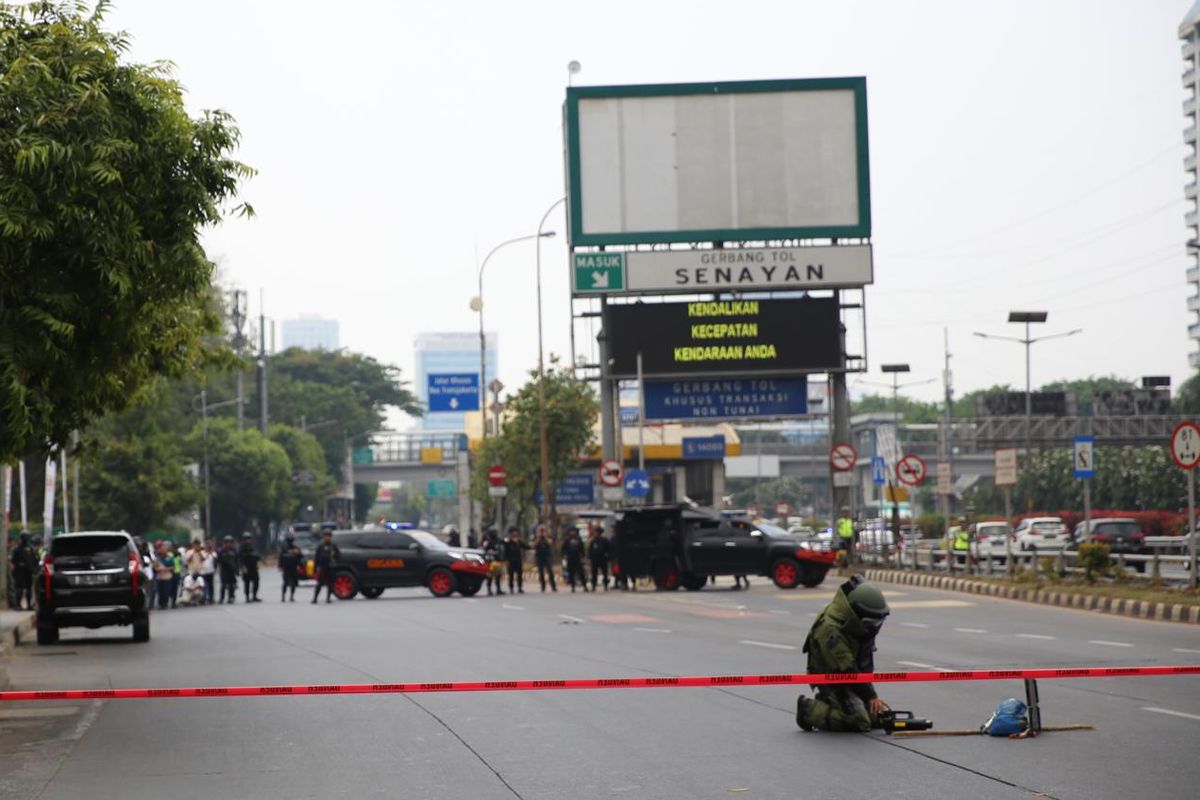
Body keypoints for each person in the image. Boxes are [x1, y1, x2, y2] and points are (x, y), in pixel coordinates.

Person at [795, 576, 892, 732]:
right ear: (857, 614)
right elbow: (846, 668)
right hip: (832, 678)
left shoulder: (854, 624)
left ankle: (830, 704)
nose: (875, 627)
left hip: (852, 675)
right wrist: (870, 696)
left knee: (877, 718)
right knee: (859, 721)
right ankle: (808, 710)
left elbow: (862, 659)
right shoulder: (831, 629)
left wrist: (869, 696)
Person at [9, 532, 38, 610]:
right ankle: (17, 605)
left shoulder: (30, 548)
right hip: (20, 571)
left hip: (28, 571)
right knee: (19, 589)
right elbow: (13, 560)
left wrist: (34, 569)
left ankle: (29, 605)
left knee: (29, 589)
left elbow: (34, 560)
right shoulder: (17, 549)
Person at [311, 529, 341, 604]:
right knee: (319, 584)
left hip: (331, 567)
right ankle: (315, 598)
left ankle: (328, 598)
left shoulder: (333, 545)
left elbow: (339, 556)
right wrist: (315, 568)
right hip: (322, 566)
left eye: (328, 536)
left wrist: (335, 556)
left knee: (330, 583)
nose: (327, 537)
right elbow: (316, 557)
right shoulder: (321, 545)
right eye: (326, 536)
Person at [502, 527, 528, 594]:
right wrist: (505, 560)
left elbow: (526, 546)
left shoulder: (518, 541)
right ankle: (511, 588)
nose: (515, 534)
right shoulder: (507, 542)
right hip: (510, 560)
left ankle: (520, 587)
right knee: (511, 575)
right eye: (513, 533)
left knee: (519, 574)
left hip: (518, 560)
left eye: (516, 532)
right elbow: (505, 551)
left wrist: (533, 546)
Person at [278, 533, 303, 602]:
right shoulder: (284, 548)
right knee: (285, 582)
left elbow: (300, 557)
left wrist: (298, 553)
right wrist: (280, 566)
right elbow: (281, 557)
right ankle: (283, 596)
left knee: (294, 583)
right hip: (286, 567)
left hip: (294, 567)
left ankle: (291, 596)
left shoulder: (296, 548)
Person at [239, 533, 262, 602]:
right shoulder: (242, 548)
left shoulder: (253, 547)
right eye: (246, 539)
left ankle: (254, 595)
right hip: (246, 567)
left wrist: (258, 562)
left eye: (249, 539)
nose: (248, 540)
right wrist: (243, 567)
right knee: (247, 583)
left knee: (256, 581)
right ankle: (247, 597)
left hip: (254, 567)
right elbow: (240, 559)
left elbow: (258, 556)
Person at [480, 528, 504, 596]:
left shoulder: (498, 540)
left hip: (498, 559)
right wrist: (489, 551)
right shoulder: (488, 541)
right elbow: (483, 549)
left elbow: (501, 548)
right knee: (490, 576)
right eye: (494, 532)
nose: (495, 533)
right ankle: (489, 589)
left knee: (498, 575)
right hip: (490, 560)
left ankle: (498, 589)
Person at [533, 527, 557, 592]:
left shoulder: (548, 537)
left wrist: (545, 537)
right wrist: (538, 538)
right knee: (541, 572)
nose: (542, 533)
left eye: (543, 531)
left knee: (550, 571)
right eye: (541, 531)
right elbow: (534, 546)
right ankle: (543, 586)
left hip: (547, 556)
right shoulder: (536, 537)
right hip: (539, 556)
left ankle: (553, 586)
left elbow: (550, 543)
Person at [587, 525, 610, 592]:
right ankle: (593, 586)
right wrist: (589, 558)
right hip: (595, 559)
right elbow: (590, 550)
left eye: (596, 532)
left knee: (605, 573)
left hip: (602, 558)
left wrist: (607, 556)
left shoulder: (604, 540)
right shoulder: (593, 540)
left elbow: (608, 549)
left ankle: (605, 585)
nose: (595, 533)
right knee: (594, 573)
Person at [217, 536, 240, 604]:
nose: (228, 544)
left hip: (232, 570)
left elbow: (237, 561)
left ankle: (231, 597)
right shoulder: (221, 551)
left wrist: (237, 570)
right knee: (223, 585)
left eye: (230, 542)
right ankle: (222, 598)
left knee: (231, 585)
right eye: (227, 542)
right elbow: (218, 560)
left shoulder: (234, 551)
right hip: (224, 570)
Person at [153, 541, 175, 610]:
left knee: (166, 591)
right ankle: (160, 604)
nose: (162, 551)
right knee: (160, 592)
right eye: (161, 549)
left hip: (167, 576)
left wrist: (165, 568)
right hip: (160, 577)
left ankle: (165, 603)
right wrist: (158, 569)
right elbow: (155, 567)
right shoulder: (158, 558)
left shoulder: (169, 557)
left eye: (164, 549)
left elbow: (173, 567)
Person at [200, 539, 216, 604]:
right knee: (204, 585)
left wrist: (211, 552)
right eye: (207, 544)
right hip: (203, 571)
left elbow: (215, 558)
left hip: (211, 571)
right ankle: (204, 598)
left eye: (209, 545)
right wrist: (208, 553)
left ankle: (211, 598)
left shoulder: (213, 553)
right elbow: (202, 559)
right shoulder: (202, 552)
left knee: (211, 585)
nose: (208, 546)